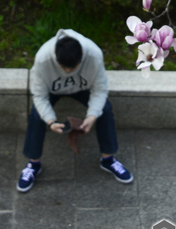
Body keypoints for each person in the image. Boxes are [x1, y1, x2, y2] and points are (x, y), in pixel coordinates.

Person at [17, 28, 133, 192]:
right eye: (63, 67)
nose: (67, 71)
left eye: (72, 67)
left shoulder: (94, 55)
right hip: (52, 90)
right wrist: (51, 121)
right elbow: (39, 95)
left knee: (105, 109)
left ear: (82, 57)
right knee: (37, 116)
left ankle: (108, 159)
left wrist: (92, 116)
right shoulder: (43, 59)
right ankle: (33, 164)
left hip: (82, 88)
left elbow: (99, 90)